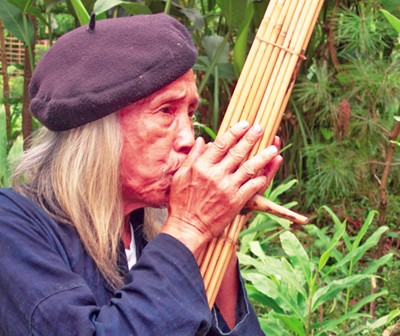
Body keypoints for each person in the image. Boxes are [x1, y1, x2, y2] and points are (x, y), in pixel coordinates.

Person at [0, 13, 282, 335]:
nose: (189, 138)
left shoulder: (148, 227)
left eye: (189, 112)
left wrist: (218, 221)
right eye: (166, 110)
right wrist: (191, 226)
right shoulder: (11, 227)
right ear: (98, 133)